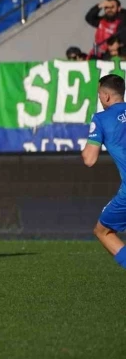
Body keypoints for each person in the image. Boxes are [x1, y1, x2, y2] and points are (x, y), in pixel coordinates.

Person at [82, 74, 126, 271]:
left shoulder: (101, 118)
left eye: (99, 95)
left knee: (103, 231)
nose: (99, 99)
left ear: (107, 96)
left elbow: (90, 160)